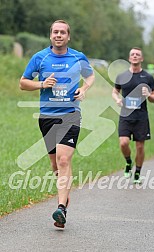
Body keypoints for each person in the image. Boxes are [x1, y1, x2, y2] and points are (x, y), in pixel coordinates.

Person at [19, 20, 95, 228]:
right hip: (47, 117)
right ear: (50, 35)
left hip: (70, 114)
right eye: (55, 32)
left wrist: (84, 89)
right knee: (56, 165)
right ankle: (64, 199)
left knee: (63, 160)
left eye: (62, 32)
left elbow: (90, 77)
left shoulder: (78, 57)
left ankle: (61, 208)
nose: (58, 35)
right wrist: (42, 84)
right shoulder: (40, 58)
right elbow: (23, 83)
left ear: (68, 36)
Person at [112, 47, 154, 184]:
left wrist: (149, 95)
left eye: (138, 54)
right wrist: (117, 99)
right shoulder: (122, 76)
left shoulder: (148, 77)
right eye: (132, 54)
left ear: (141, 59)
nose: (135, 56)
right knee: (123, 143)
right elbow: (115, 91)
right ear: (129, 58)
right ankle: (128, 162)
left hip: (141, 117)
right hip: (126, 116)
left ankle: (137, 173)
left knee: (139, 146)